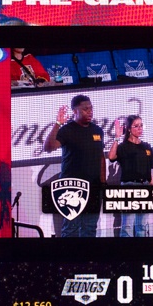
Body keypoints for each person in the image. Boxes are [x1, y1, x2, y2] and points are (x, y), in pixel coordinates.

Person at [44, 94, 106, 237]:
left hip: (94, 187)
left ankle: (88, 259)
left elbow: (101, 157)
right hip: (71, 187)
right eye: (85, 109)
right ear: (75, 111)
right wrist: (58, 124)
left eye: (91, 108)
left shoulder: (97, 130)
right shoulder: (67, 130)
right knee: (71, 229)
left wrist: (103, 182)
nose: (90, 112)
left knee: (90, 228)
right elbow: (48, 147)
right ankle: (70, 259)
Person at [108, 115, 153, 237]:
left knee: (142, 225)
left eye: (141, 125)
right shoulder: (123, 146)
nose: (140, 128)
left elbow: (149, 170)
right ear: (129, 129)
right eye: (136, 126)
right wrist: (117, 137)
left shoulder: (147, 146)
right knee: (127, 225)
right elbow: (111, 157)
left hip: (145, 186)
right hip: (129, 186)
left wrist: (151, 186)